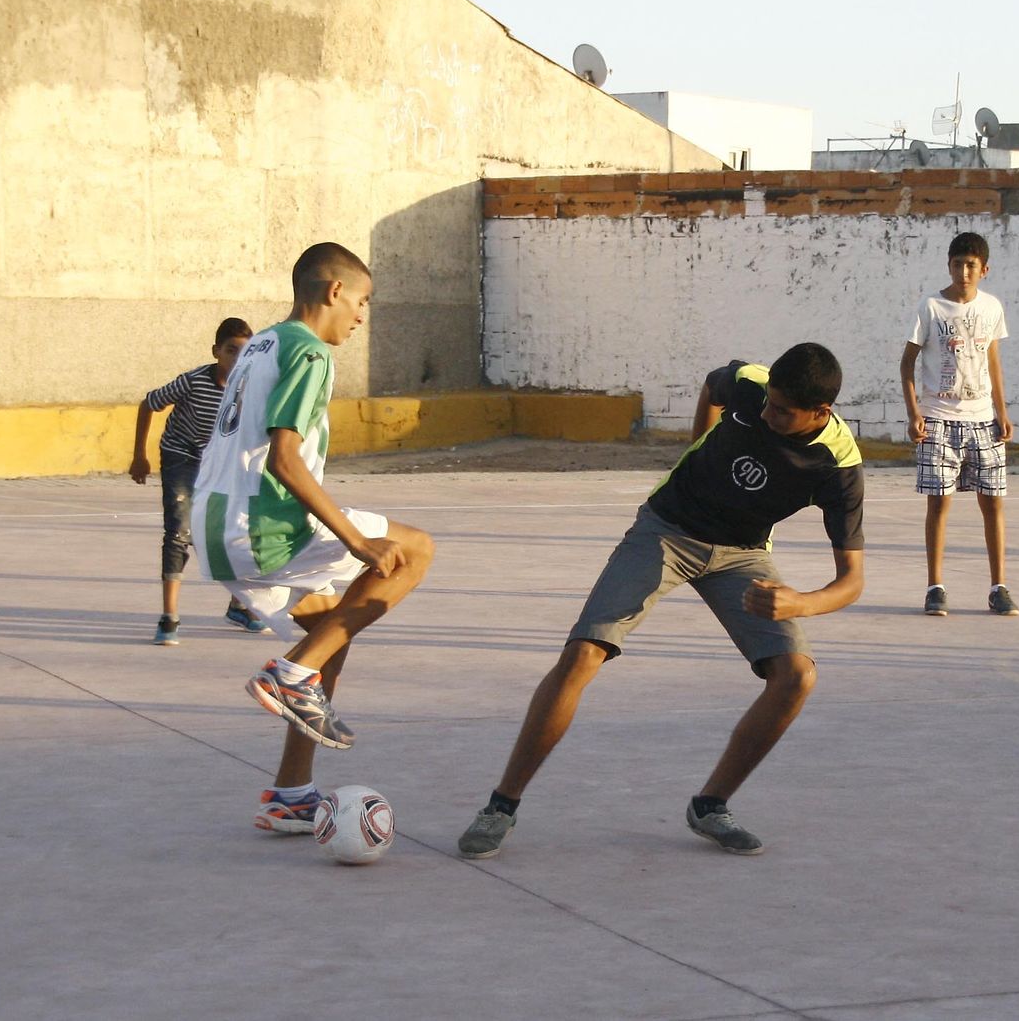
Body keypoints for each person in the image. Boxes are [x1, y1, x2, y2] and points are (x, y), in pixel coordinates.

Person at [457, 343, 865, 859]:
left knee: (797, 676)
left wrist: (799, 603)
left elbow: (852, 582)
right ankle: (500, 806)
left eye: (782, 411)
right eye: (768, 402)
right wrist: (699, 447)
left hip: (742, 555)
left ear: (821, 413)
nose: (768, 413)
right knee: (584, 653)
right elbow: (713, 385)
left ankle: (711, 805)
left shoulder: (838, 463)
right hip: (666, 532)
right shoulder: (751, 383)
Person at [191, 242, 436, 832]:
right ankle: (291, 675)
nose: (360, 316)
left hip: (216, 523)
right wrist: (354, 539)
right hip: (259, 525)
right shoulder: (310, 352)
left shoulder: (265, 342)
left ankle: (291, 796)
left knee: (333, 629)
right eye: (362, 301)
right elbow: (285, 458)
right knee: (414, 550)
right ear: (334, 292)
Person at [899, 231, 1018, 618]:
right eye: (957, 264)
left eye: (971, 265)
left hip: (983, 421)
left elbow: (993, 362)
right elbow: (907, 364)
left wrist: (1002, 411)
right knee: (938, 505)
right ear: (948, 266)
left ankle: (998, 587)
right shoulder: (930, 307)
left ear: (984, 269)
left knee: (993, 505)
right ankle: (936, 587)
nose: (963, 272)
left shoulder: (992, 308)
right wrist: (915, 413)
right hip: (939, 420)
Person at [130, 317, 267, 645]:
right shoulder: (193, 381)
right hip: (181, 455)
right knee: (179, 531)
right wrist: (139, 455)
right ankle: (169, 617)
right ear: (216, 351)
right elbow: (149, 403)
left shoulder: (250, 388)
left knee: (236, 532)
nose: (237, 359)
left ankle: (239, 606)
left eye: (245, 353)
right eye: (231, 351)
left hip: (219, 462)